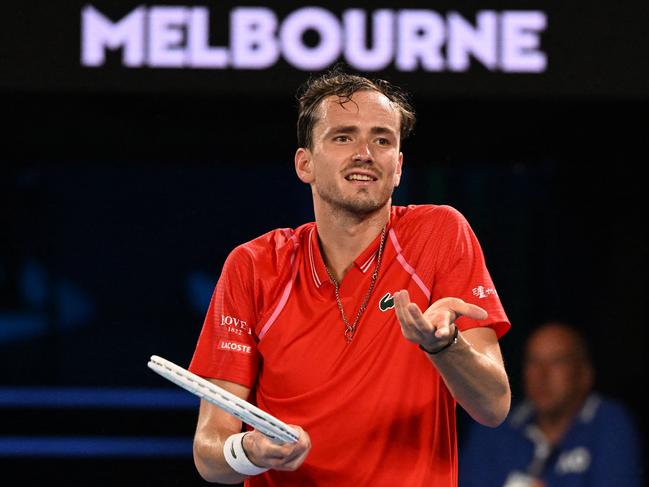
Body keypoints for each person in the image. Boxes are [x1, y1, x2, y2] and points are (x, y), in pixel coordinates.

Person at [188, 68, 512, 486]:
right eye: (343, 137)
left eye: (382, 139)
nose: (365, 153)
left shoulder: (440, 234)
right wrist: (248, 452)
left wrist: (444, 345)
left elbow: (493, 406)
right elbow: (209, 453)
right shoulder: (253, 265)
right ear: (305, 164)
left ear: (397, 167)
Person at [460, 321, 644, 486]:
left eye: (557, 362)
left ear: (584, 374)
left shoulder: (608, 422)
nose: (542, 375)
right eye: (534, 362)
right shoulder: (494, 424)